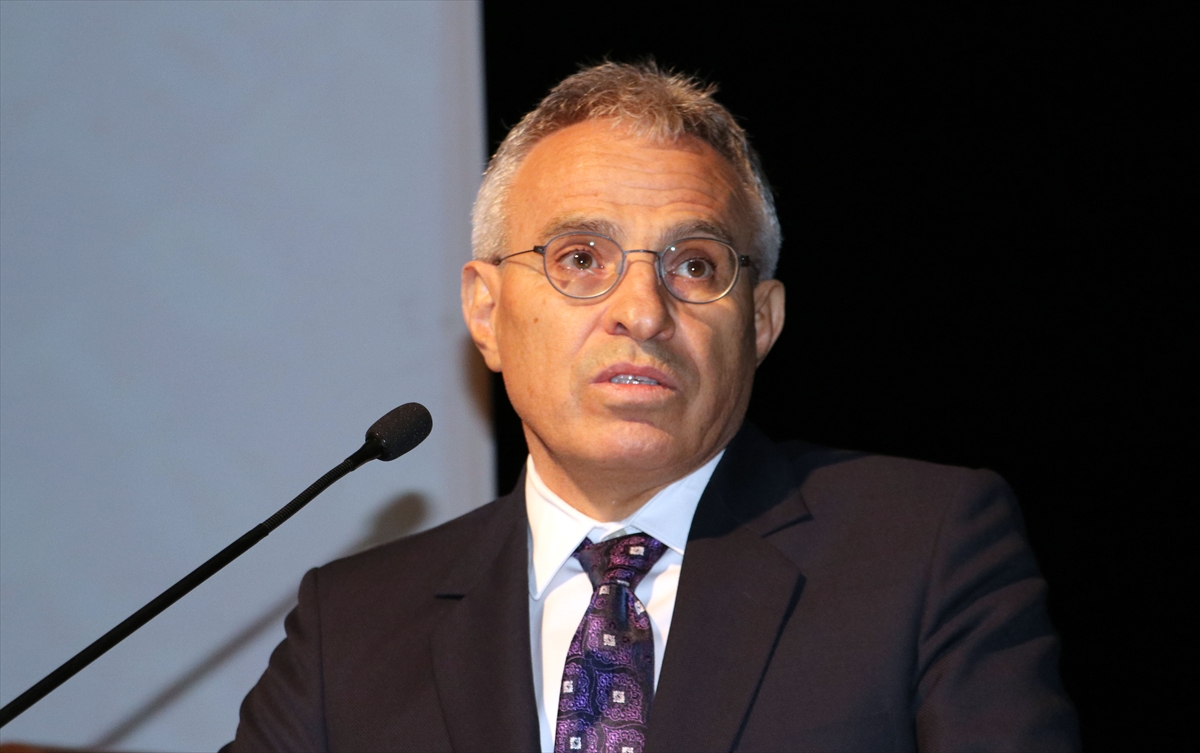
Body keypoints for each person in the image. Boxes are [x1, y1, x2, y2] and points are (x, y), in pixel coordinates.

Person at [227, 62, 1078, 752]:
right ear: (486, 311)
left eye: (695, 264)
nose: (642, 310)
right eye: (580, 257)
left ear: (761, 322)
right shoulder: (353, 626)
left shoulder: (919, 551)